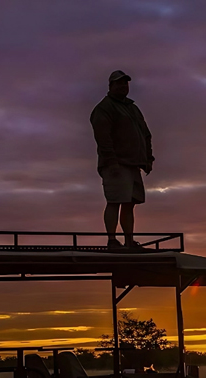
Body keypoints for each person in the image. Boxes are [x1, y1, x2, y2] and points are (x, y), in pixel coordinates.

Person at [90, 70, 154, 248]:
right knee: (114, 201)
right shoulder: (104, 108)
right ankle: (111, 240)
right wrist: (112, 162)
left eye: (125, 83)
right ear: (110, 86)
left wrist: (148, 159)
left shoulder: (132, 108)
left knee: (129, 204)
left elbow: (146, 134)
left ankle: (128, 241)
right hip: (116, 164)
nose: (123, 86)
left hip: (134, 164)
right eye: (119, 83)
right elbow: (103, 138)